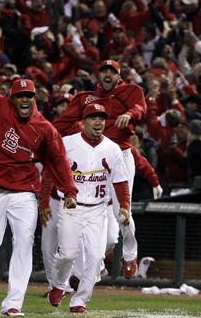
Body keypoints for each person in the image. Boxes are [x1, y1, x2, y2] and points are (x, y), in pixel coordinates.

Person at [0, 31, 78, 317]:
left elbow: (59, 160)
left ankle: (13, 303)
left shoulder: (44, 128)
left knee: (24, 242)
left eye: (30, 95)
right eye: (20, 96)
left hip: (24, 191)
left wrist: (70, 191)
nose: (26, 100)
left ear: (36, 98)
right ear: (12, 98)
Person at [53, 58, 146, 278]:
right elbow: (63, 122)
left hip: (120, 155)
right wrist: (43, 135)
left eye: (112, 72)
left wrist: (129, 114)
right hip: (92, 157)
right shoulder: (86, 98)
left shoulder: (130, 91)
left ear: (118, 75)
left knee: (122, 212)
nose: (107, 75)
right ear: (98, 75)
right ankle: (95, 265)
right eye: (103, 71)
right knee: (92, 216)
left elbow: (140, 108)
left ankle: (130, 255)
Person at [41, 103, 130, 313]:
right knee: (67, 255)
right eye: (93, 117)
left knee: (96, 256)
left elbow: (121, 181)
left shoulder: (112, 148)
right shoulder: (67, 144)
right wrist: (44, 202)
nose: (98, 122)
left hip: (98, 210)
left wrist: (124, 205)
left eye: (102, 117)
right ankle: (59, 284)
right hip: (71, 208)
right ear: (83, 122)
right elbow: (48, 175)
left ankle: (79, 300)